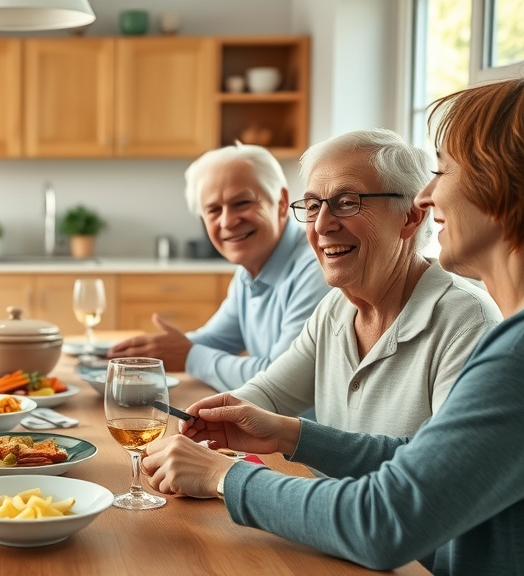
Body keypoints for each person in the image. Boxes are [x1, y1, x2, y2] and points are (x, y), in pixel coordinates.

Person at [142, 78, 524, 575]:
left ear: (501, 186)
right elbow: (425, 462)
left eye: (444, 170)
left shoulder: (504, 347)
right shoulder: (343, 309)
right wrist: (291, 434)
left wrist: (223, 477)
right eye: (315, 205)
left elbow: (386, 518)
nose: (429, 195)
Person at [219, 129, 500, 436]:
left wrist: (284, 443)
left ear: (410, 216)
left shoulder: (467, 322)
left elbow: (434, 470)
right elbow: (268, 395)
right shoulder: (334, 310)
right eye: (313, 206)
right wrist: (200, 423)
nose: (322, 224)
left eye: (347, 202)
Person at [108, 144, 332, 392]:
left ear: (281, 202)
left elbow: (282, 380)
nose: (227, 221)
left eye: (242, 203)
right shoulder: (250, 267)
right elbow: (215, 340)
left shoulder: (317, 267)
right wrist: (138, 357)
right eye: (213, 210)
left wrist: (188, 355)